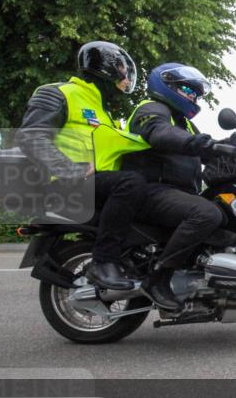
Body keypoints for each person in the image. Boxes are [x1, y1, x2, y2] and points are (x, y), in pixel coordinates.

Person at [16, 41, 149, 290]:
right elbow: (31, 136)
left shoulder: (102, 111)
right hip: (67, 185)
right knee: (131, 183)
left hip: (99, 187)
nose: (125, 75)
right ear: (106, 66)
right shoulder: (59, 93)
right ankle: (103, 262)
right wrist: (70, 169)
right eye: (121, 67)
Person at [123, 63, 222, 310]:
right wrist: (201, 144)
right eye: (189, 90)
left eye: (197, 93)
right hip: (151, 190)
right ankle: (158, 278)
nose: (194, 96)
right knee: (205, 213)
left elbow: (206, 147)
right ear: (167, 85)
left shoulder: (182, 122)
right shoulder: (153, 109)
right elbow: (159, 133)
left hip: (175, 193)